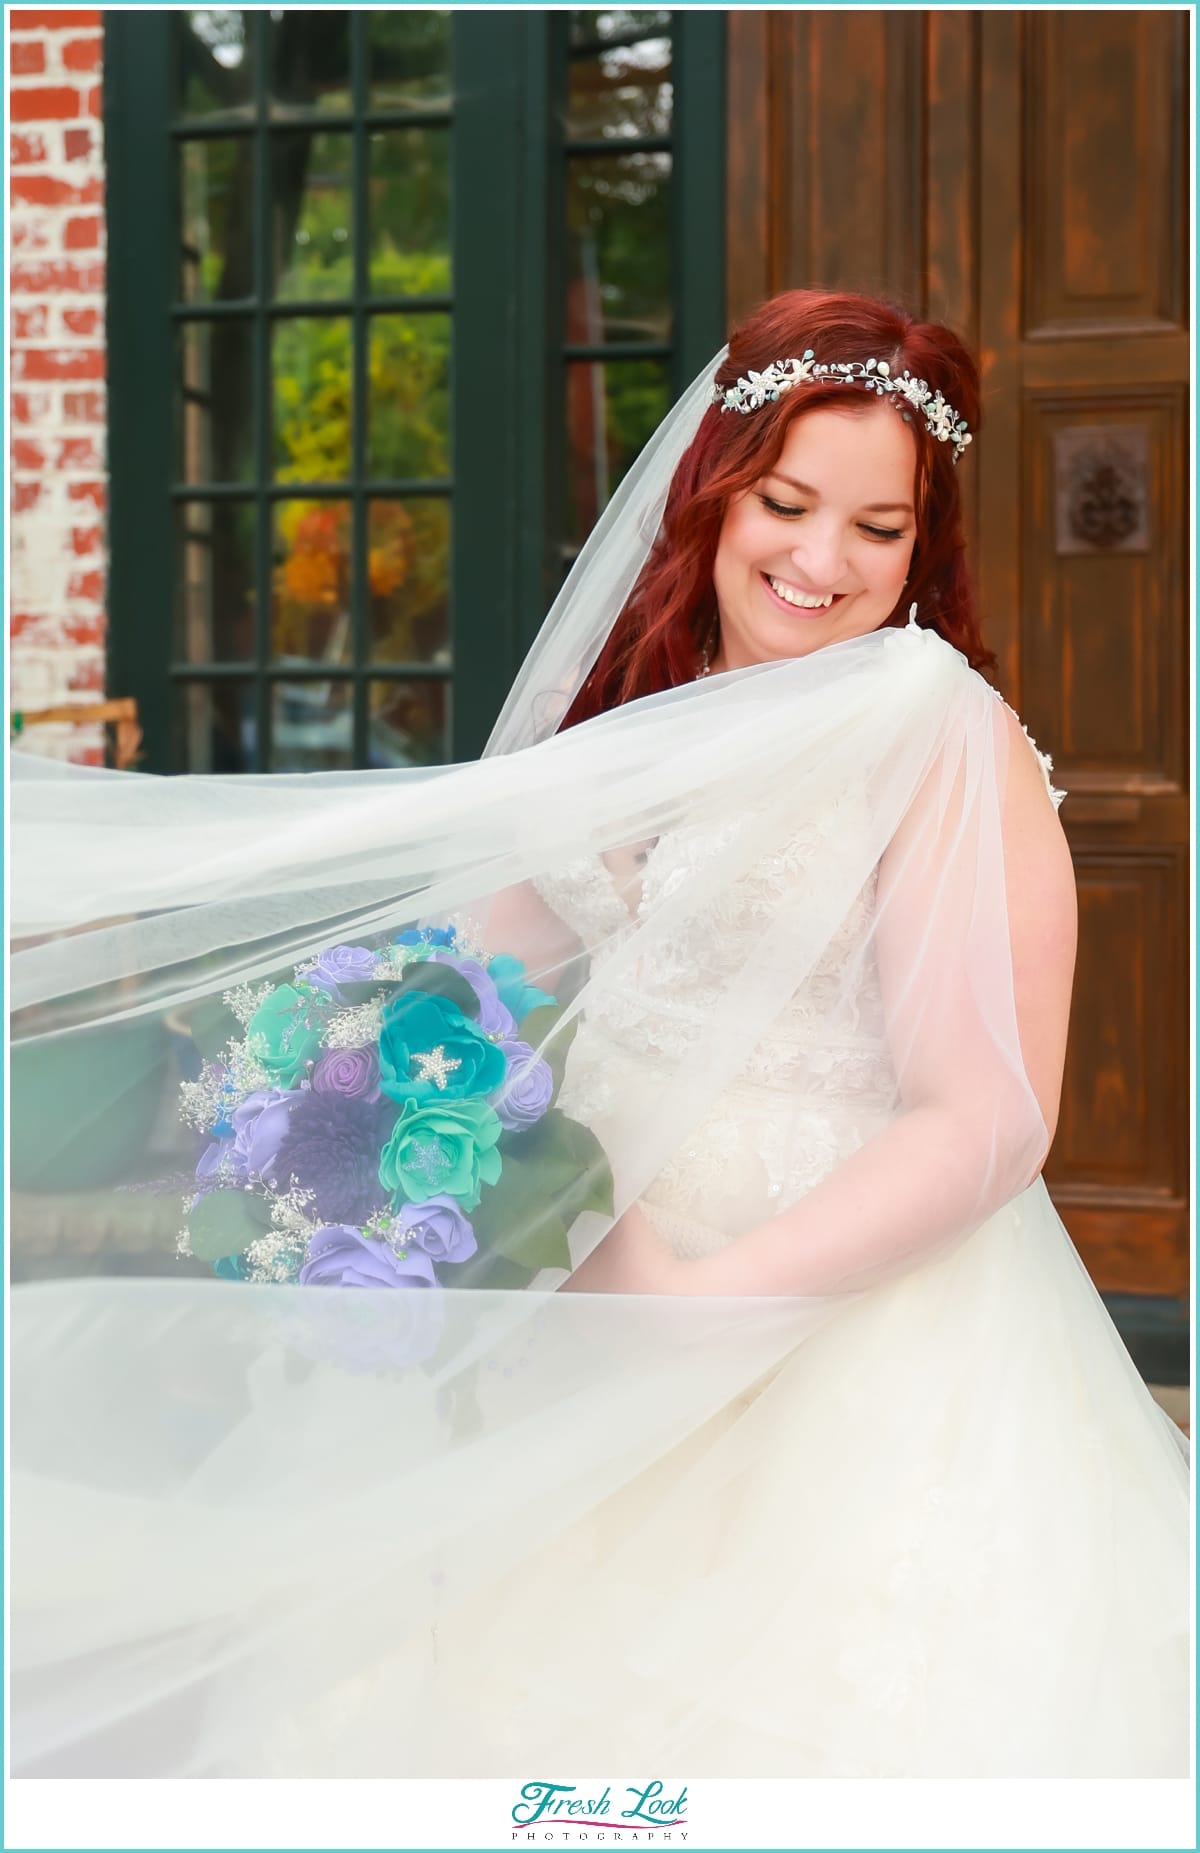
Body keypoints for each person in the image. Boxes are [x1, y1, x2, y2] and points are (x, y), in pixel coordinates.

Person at [9, 290, 1188, 1780]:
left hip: (822, 1335)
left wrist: (708, 1300)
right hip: (577, 1301)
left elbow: (992, 1112)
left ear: (922, 544)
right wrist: (358, 1121)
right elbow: (469, 983)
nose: (824, 562)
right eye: (787, 502)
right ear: (714, 486)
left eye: (879, 528)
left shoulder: (928, 724)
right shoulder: (639, 718)